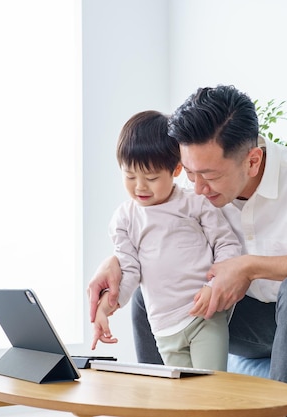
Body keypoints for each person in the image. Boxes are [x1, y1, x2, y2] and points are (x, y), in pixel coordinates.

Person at [88, 85, 287, 417]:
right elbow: (158, 237)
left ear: (252, 161)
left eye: (209, 176)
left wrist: (250, 266)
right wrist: (117, 260)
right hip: (260, 319)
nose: (197, 188)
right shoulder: (196, 198)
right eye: (189, 173)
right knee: (146, 298)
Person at [90, 110, 242, 371]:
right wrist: (107, 306)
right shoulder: (124, 219)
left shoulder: (194, 203)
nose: (140, 187)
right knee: (181, 403)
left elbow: (227, 245)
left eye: (151, 178)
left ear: (176, 169)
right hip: (164, 328)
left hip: (204, 315)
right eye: (130, 176)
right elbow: (128, 271)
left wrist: (215, 287)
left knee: (212, 393)